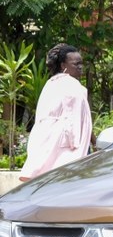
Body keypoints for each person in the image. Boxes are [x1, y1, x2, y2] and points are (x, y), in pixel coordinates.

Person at [19, 43, 93, 181]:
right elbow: (78, 121)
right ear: (63, 66)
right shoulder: (71, 85)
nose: (80, 67)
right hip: (67, 148)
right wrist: (94, 142)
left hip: (46, 147)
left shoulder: (50, 85)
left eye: (81, 63)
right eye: (76, 64)